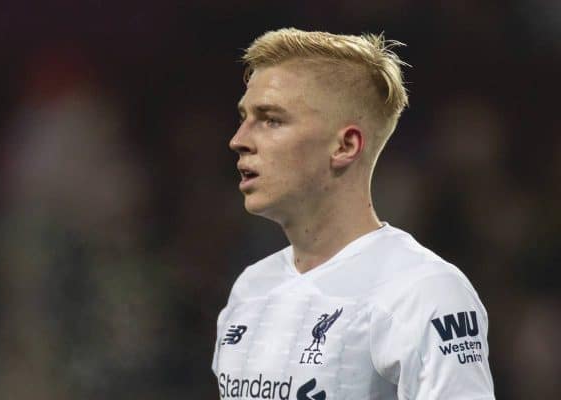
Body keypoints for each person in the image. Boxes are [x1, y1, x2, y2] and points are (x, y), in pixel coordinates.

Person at [212, 28, 495, 399]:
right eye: (244, 117)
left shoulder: (423, 291)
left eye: (271, 119)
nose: (239, 139)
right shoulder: (249, 289)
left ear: (345, 145)